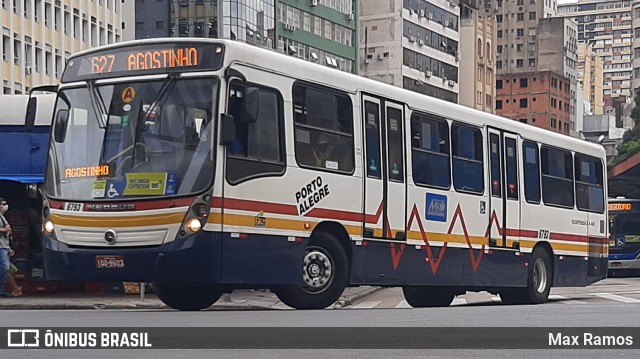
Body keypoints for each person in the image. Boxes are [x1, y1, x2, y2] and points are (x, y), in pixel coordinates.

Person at [0, 197, 12, 297]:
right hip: (0, 247)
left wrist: (9, 248)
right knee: (4, 268)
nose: (4, 206)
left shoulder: (3, 217)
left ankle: (2, 290)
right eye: (2, 204)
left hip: (4, 246)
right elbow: (5, 230)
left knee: (5, 269)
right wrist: (5, 230)